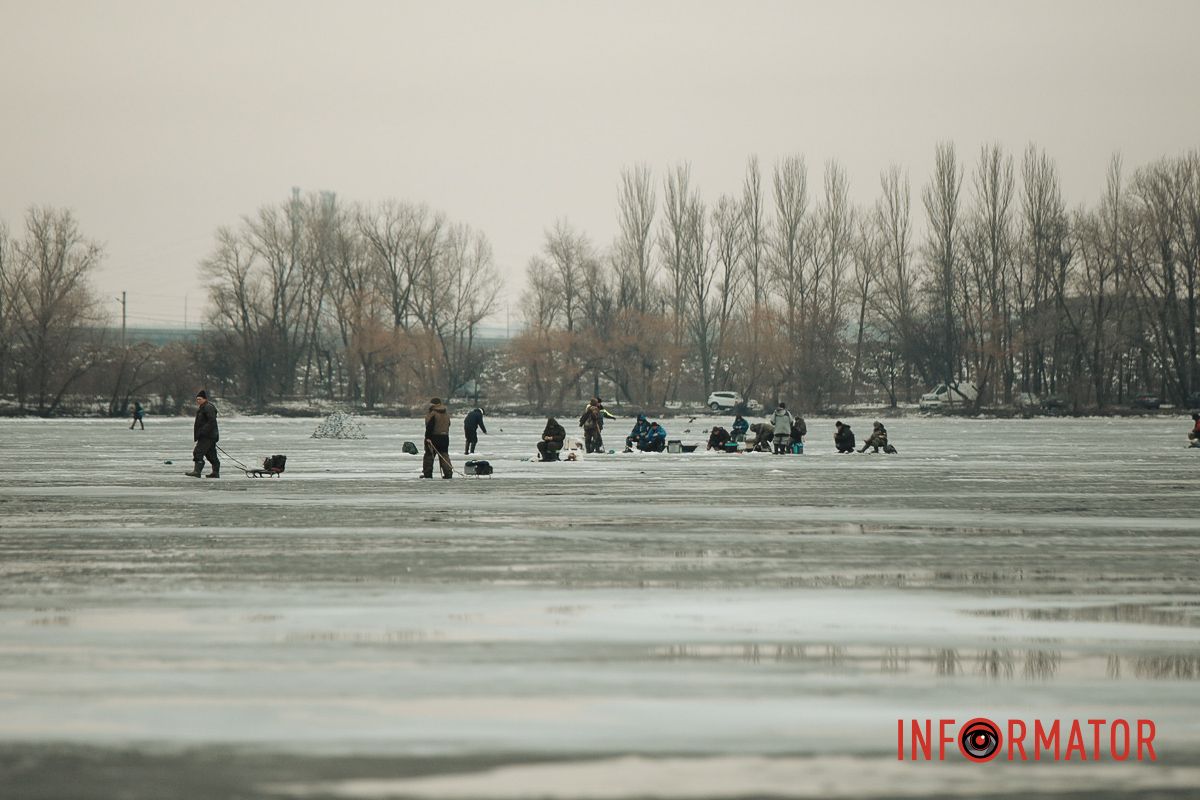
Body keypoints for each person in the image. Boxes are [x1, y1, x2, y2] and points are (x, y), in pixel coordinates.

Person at [185, 390, 220, 478]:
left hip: (207, 436)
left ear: (205, 399)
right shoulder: (203, 407)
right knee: (211, 454)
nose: (198, 401)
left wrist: (202, 431)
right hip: (208, 435)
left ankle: (197, 472)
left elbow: (211, 421)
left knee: (198, 452)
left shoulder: (208, 407)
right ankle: (215, 473)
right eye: (197, 399)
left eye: (199, 399)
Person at [423, 397, 453, 479]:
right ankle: (448, 474)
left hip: (433, 437)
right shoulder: (446, 413)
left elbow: (429, 426)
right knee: (444, 456)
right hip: (445, 438)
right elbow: (449, 424)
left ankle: (427, 474)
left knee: (429, 456)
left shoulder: (433, 413)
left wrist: (427, 438)